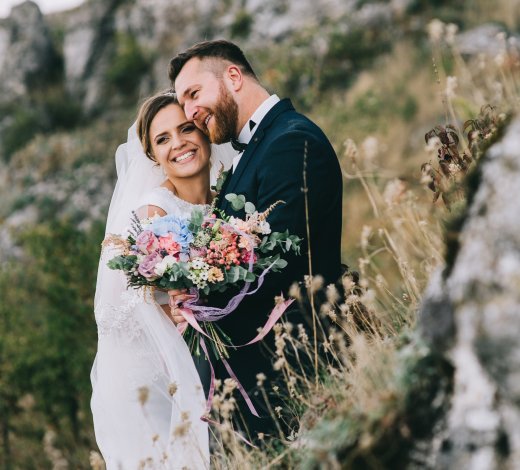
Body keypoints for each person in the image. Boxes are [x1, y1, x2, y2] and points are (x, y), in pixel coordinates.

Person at [167, 40, 343, 438]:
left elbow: (279, 264)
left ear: (233, 77)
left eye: (194, 94)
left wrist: (201, 302)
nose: (189, 112)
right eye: (183, 102)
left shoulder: (291, 141)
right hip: (266, 373)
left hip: (297, 363)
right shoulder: (253, 151)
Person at [90, 91, 235, 469]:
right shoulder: (151, 213)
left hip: (216, 361)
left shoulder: (226, 202)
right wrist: (170, 315)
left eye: (186, 129)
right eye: (163, 138)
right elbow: (111, 312)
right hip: (157, 377)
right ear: (153, 155)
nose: (179, 143)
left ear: (204, 132)